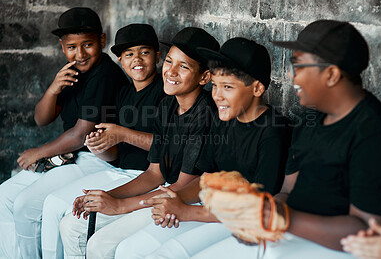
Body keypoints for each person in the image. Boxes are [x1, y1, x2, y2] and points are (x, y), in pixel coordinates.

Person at [186, 20, 381, 259]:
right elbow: (288, 190)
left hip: (338, 249)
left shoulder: (372, 132)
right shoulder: (309, 119)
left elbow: (368, 231)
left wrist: (280, 218)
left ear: (331, 74)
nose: (290, 74)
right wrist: (260, 214)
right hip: (290, 234)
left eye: (298, 66)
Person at [113, 37, 292, 259]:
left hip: (244, 221)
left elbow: (258, 203)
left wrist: (187, 211)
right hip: (210, 208)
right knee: (130, 250)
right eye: (215, 86)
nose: (216, 95)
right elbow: (206, 178)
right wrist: (175, 199)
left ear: (256, 88)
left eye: (227, 87)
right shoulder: (223, 119)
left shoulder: (273, 130)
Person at [59, 27, 220, 259]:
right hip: (161, 189)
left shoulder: (206, 114)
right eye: (170, 62)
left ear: (204, 77)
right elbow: (154, 173)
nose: (171, 72)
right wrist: (107, 196)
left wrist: (120, 206)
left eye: (183, 67)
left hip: (182, 198)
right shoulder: (167, 106)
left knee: (100, 245)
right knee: (71, 225)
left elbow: (182, 188)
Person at [0, 7, 129, 259]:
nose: (79, 53)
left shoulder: (104, 74)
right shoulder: (72, 71)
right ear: (62, 46)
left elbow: (81, 135)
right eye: (72, 47)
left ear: (102, 41)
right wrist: (53, 89)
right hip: (70, 156)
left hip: (97, 159)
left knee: (27, 205)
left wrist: (39, 152)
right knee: (4, 196)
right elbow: (41, 119)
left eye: (88, 44)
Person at [39, 23, 166, 258]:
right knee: (62, 209)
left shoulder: (166, 93)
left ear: (158, 56)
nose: (136, 59)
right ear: (120, 60)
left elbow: (170, 147)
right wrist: (98, 146)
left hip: (152, 178)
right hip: (121, 170)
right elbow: (115, 155)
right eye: (128, 54)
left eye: (144, 52)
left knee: (75, 224)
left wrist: (122, 133)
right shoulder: (124, 94)